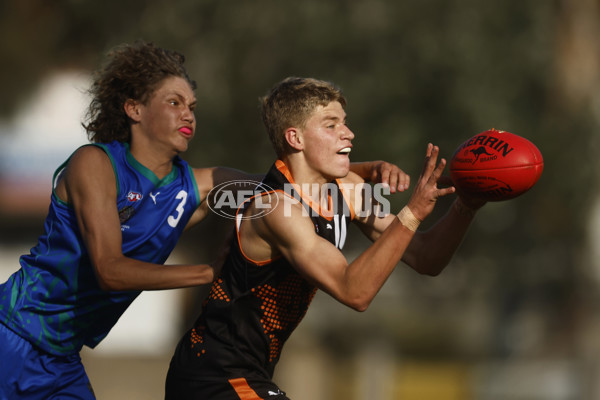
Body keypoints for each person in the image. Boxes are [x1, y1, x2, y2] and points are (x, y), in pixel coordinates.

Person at [0, 43, 406, 399]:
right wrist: (206, 272)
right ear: (134, 109)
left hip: (61, 358)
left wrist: (367, 170)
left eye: (192, 105)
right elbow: (110, 270)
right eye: (173, 102)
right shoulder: (95, 164)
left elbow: (293, 183)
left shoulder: (203, 184)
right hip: (12, 335)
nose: (188, 113)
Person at [165, 77, 486, 399]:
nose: (348, 133)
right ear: (295, 138)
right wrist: (412, 212)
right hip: (212, 375)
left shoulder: (346, 189)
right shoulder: (276, 208)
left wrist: (466, 205)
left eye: (344, 123)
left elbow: (425, 257)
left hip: (248, 372)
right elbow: (354, 292)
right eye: (331, 125)